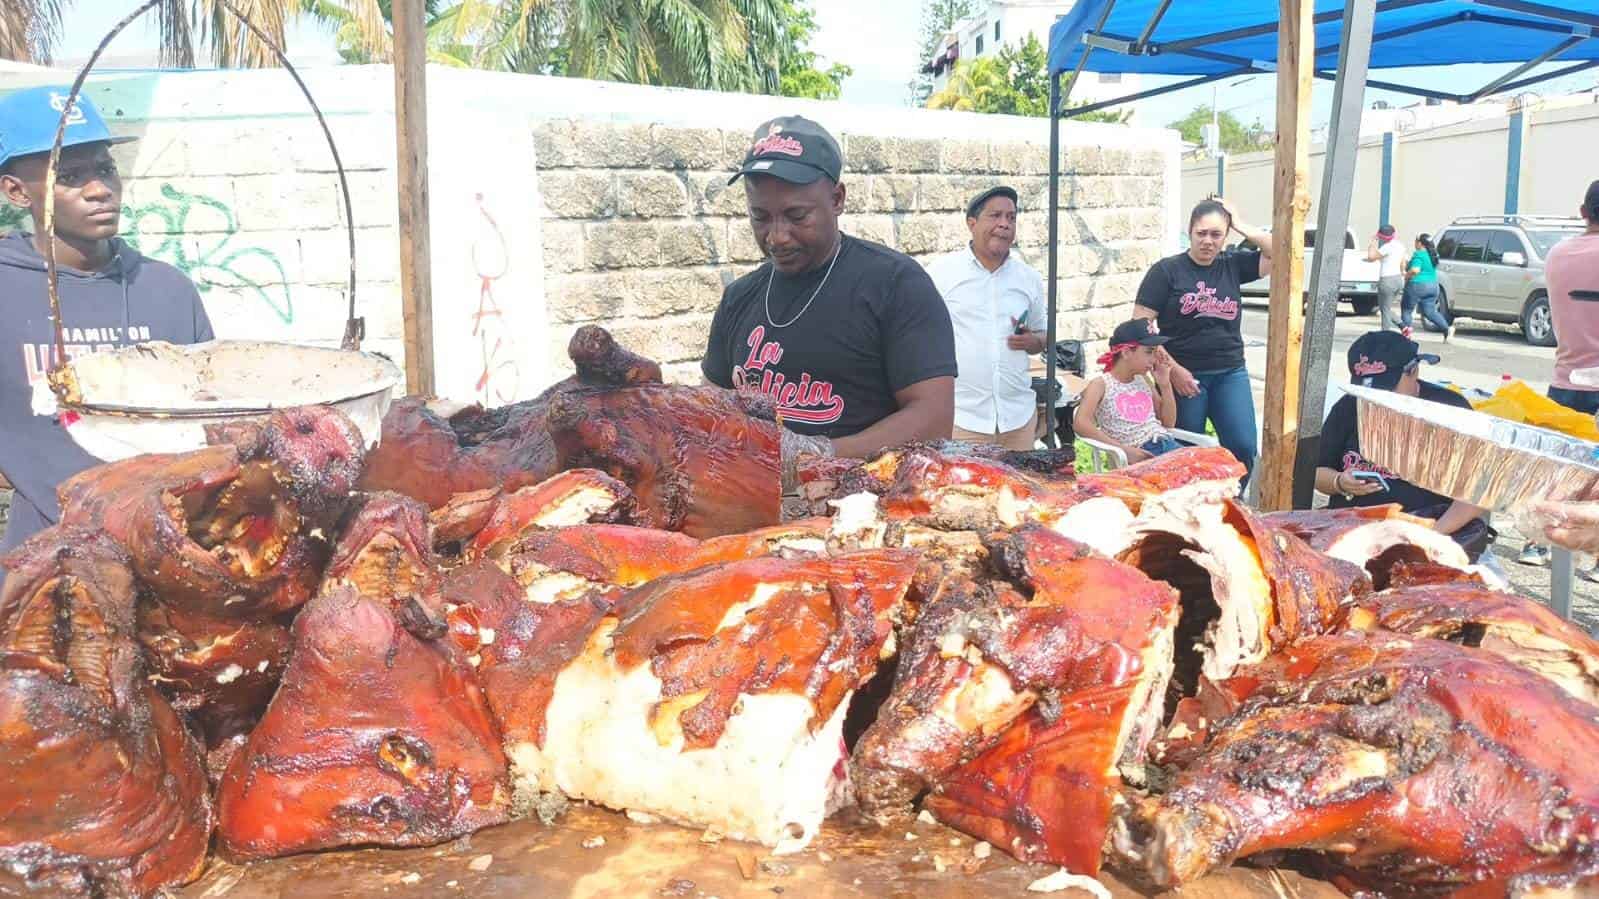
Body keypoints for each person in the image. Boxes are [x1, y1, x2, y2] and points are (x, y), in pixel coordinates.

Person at [0, 86, 213, 560]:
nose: (99, 189)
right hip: (43, 564)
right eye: (71, 176)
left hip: (164, 560)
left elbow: (210, 423)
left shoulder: (166, 291)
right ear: (16, 191)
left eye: (105, 169)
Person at [702, 115, 957, 487]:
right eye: (760, 217)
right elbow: (712, 411)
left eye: (796, 216)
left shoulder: (895, 284)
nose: (777, 237)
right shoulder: (740, 298)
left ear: (837, 199)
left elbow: (934, 417)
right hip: (756, 511)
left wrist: (819, 457)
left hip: (865, 512)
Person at [1315, 331, 1492, 560]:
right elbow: (1317, 472)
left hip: (1431, 535)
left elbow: (1480, 490)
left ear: (1413, 372)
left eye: (1386, 391)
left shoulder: (1449, 409)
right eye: (1368, 393)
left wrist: (1428, 537)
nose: (1375, 401)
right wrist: (1340, 482)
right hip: (1356, 533)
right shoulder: (1350, 405)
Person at [1133, 195, 1271, 482]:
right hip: (1185, 375)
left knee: (1243, 446)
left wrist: (1241, 222)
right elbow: (1141, 324)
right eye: (1201, 233)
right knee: (1185, 450)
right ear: (1190, 232)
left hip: (1230, 372)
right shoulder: (1167, 271)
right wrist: (1174, 370)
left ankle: (1232, 503)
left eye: (1216, 234)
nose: (1208, 241)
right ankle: (1189, 510)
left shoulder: (1232, 265)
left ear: (1226, 235)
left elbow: (1279, 252)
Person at [927, 186, 1046, 451]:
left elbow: (1043, 335)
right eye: (995, 216)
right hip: (963, 417)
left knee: (1020, 491)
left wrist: (1032, 341)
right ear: (972, 223)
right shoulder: (941, 274)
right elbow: (918, 338)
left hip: (1017, 419)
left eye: (1011, 218)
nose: (1004, 224)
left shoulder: (1029, 278)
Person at [1518, 179, 1599, 569]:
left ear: (1583, 212)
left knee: (1559, 470)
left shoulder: (1557, 254)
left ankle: (1537, 543)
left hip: (1567, 379)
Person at [1073, 319, 1178, 463]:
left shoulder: (1143, 380)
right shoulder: (1101, 384)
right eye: (1149, 352)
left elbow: (1168, 424)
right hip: (1142, 452)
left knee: (1212, 468)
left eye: (1155, 352)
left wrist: (1165, 385)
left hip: (1165, 443)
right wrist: (1124, 450)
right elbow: (1081, 424)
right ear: (1127, 352)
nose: (1154, 359)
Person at [1400, 232, 1454, 341]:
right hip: (1433, 286)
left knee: (1407, 310)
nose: (1414, 243)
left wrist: (1406, 275)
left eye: (1416, 241)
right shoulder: (1433, 254)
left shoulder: (1418, 254)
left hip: (1417, 285)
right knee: (1430, 312)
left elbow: (1415, 270)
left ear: (1420, 243)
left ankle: (1406, 337)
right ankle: (1447, 329)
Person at [1367, 224, 1408, 332]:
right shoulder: (1401, 246)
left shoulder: (1386, 247)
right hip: (1398, 279)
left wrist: (1372, 243)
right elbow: (1403, 264)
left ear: (1381, 236)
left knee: (1385, 310)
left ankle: (1385, 333)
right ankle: (1403, 327)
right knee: (1385, 308)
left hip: (1387, 280)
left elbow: (1371, 257)